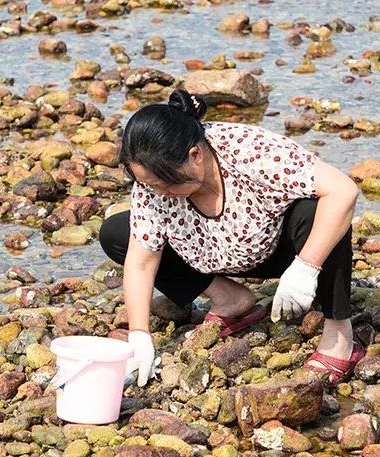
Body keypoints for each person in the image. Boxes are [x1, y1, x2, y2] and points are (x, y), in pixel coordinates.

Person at [99, 88, 363, 388]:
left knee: (319, 210)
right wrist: (139, 335)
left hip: (279, 247)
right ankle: (230, 299)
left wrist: (307, 267)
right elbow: (141, 263)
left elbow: (344, 190)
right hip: (209, 254)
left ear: (194, 156)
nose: (158, 193)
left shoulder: (249, 150)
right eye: (149, 185)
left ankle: (340, 337)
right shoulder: (152, 186)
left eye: (165, 184)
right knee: (117, 232)